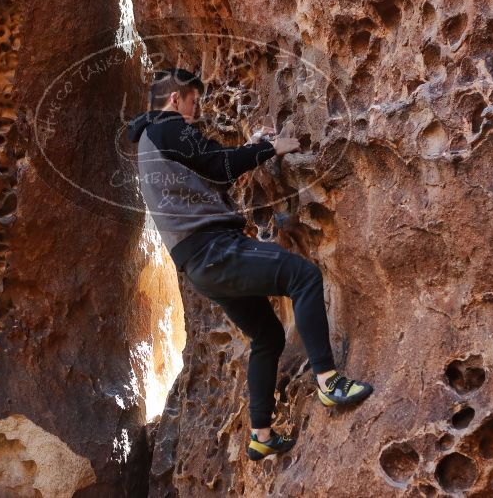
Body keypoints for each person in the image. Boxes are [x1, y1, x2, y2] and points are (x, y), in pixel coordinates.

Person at [127, 67, 373, 461]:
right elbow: (221, 165)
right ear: (177, 100)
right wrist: (269, 148)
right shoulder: (168, 127)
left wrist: (251, 146)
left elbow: (211, 174)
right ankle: (329, 382)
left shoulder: (150, 141)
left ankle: (260, 434)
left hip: (199, 265)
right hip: (213, 250)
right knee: (304, 275)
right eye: (193, 102)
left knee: (268, 336)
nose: (195, 111)